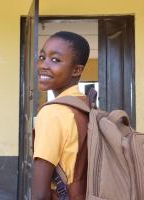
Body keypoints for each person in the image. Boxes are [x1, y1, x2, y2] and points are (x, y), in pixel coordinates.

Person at [32, 31, 90, 200]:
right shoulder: (86, 106)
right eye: (42, 57)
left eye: (55, 60)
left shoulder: (53, 113)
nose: (43, 65)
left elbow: (40, 195)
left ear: (77, 70)